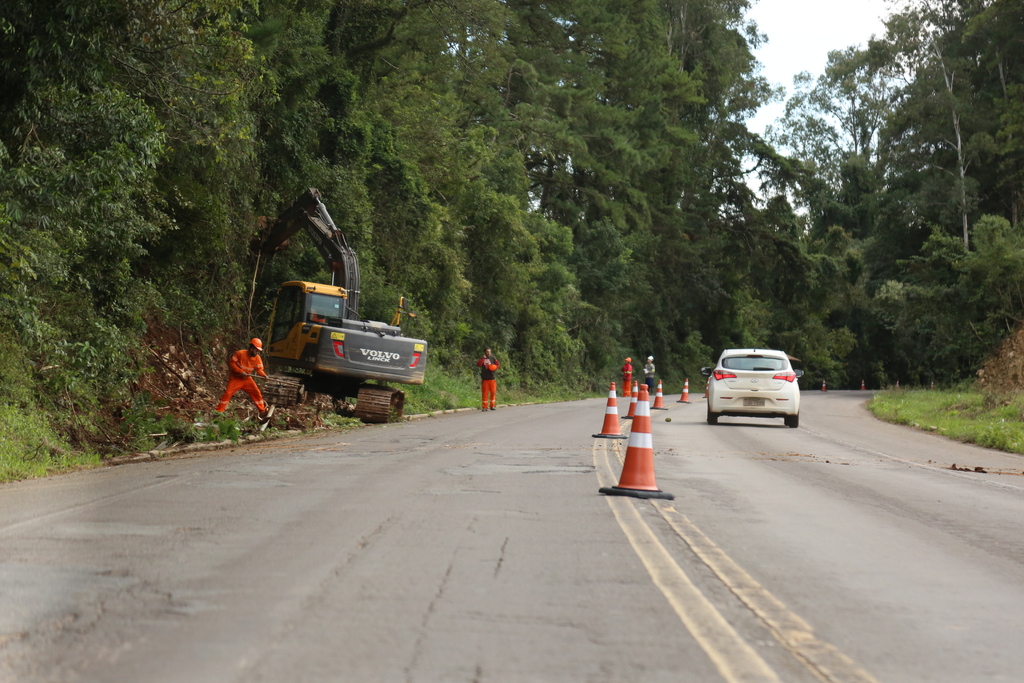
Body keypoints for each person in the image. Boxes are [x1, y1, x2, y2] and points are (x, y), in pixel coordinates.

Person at [216, 338, 273, 419]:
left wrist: (264, 376)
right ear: (251, 348)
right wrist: (240, 371)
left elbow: (259, 370)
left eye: (258, 351)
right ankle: (218, 412)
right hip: (236, 378)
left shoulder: (257, 358)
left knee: (256, 393)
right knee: (228, 394)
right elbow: (232, 363)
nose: (257, 352)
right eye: (256, 350)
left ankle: (262, 411)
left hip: (247, 379)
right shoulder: (240, 353)